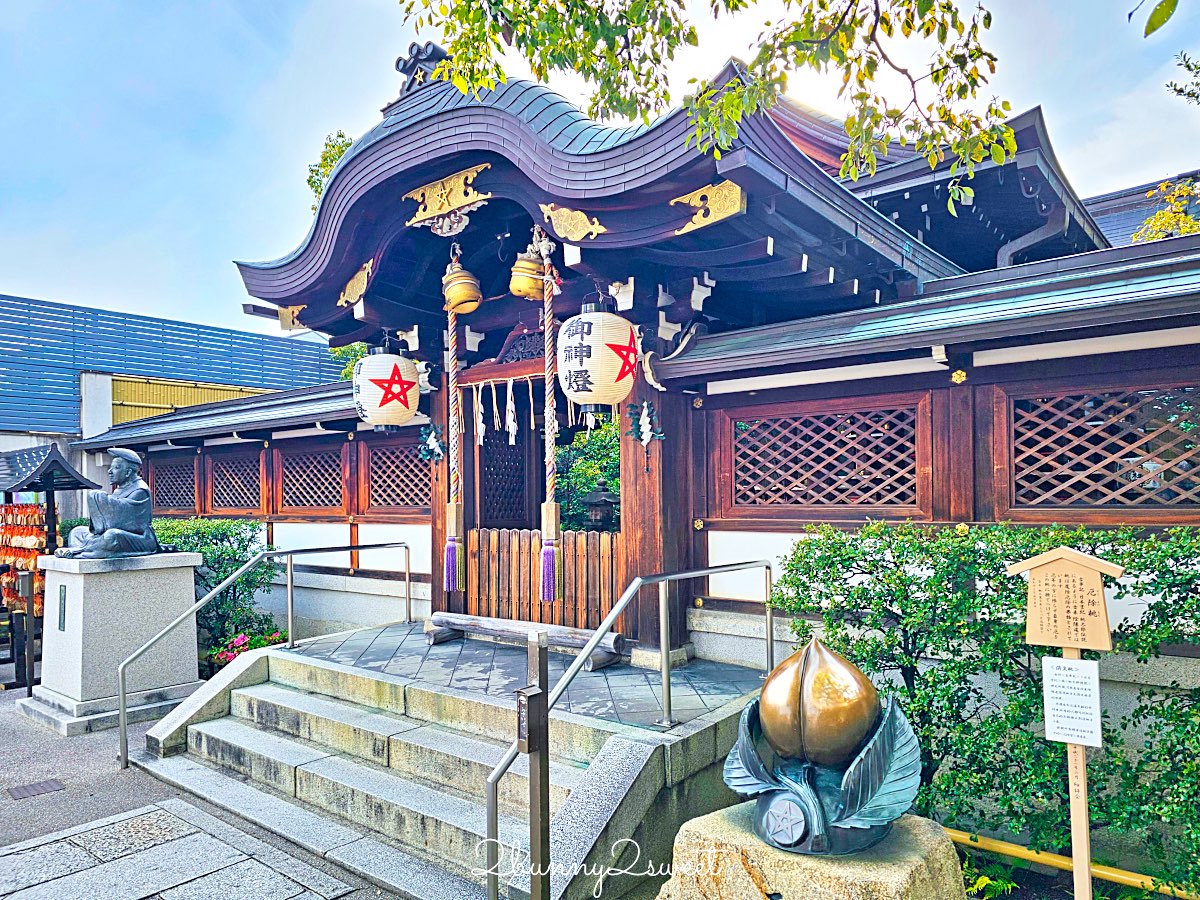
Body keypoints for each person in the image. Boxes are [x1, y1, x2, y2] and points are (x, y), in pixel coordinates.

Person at [55, 448, 160, 559]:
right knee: (77, 532)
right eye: (111, 467)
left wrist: (100, 498)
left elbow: (126, 522)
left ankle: (79, 551)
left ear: (128, 472)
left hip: (140, 537)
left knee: (112, 536)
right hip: (111, 532)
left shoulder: (140, 490)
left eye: (116, 468)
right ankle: (85, 550)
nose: (110, 471)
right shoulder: (119, 489)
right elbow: (106, 522)